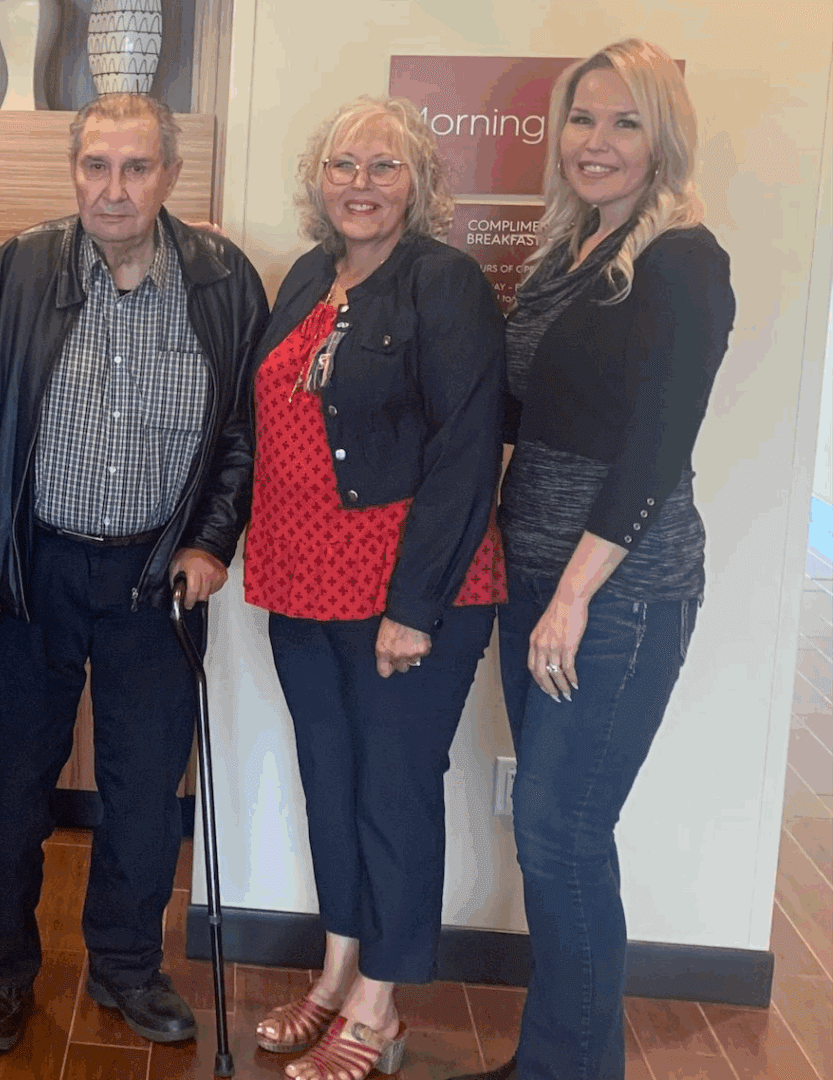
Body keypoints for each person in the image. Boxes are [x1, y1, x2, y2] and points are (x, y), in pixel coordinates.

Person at [0, 92, 269, 1053]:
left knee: (140, 798)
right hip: (32, 572)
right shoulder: (18, 270)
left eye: (135, 168)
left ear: (169, 176)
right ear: (73, 172)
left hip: (156, 582)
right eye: (96, 166)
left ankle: (127, 968)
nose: (113, 188)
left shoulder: (223, 280)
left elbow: (243, 441)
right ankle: (1, 975)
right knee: (8, 794)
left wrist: (211, 542)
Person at [454, 39, 735, 1080]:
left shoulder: (682, 262)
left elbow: (654, 449)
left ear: (662, 135)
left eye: (624, 122)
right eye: (580, 119)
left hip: (615, 597)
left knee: (560, 834)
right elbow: (519, 411)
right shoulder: (570, 249)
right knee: (553, 838)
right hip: (534, 578)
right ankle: (553, 1062)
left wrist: (572, 595)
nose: (595, 142)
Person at [240, 98, 506, 1080]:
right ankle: (337, 969)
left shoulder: (444, 285)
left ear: (418, 185)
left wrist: (412, 605)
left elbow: (465, 452)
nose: (358, 183)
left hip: (404, 587)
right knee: (332, 780)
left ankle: (380, 1009)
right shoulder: (309, 275)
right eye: (341, 164)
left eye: (381, 167)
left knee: (392, 789)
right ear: (318, 180)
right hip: (299, 577)